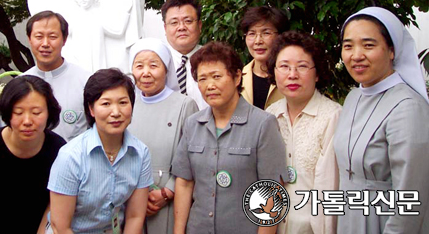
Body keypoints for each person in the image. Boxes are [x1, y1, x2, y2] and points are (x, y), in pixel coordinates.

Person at [172, 41, 287, 234]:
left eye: (216, 76)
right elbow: (184, 182)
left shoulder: (262, 124)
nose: (210, 85)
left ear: (235, 77)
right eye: (202, 79)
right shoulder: (192, 124)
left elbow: (271, 191)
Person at [334, 7, 429, 234]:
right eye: (348, 46)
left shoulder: (408, 107)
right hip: (349, 218)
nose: (356, 55)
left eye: (368, 45)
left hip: (383, 222)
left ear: (392, 51)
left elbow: (411, 195)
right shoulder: (354, 97)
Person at [48, 68, 153, 233]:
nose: (116, 112)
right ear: (91, 109)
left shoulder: (140, 153)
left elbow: (135, 216)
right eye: (106, 104)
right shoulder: (71, 156)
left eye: (123, 102)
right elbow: (60, 226)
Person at [0, 76, 66, 234]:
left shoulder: (58, 149)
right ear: (7, 113)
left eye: (36, 112)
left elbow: (55, 202)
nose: (27, 121)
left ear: (49, 112)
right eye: (18, 112)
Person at [265, 31, 341, 234]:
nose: (292, 74)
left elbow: (329, 188)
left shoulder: (332, 116)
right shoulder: (270, 115)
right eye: (284, 66)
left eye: (302, 66)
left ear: (317, 74)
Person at [127, 38, 199, 234]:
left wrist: (168, 191)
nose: (146, 73)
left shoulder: (185, 105)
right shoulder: (127, 104)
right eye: (139, 66)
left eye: (153, 65)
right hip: (129, 196)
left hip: (169, 198)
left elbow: (192, 156)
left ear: (166, 69)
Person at [23, 11, 91, 142]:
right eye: (39, 36)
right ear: (29, 39)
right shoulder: (19, 84)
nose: (45, 43)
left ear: (64, 39)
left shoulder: (86, 81)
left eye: (53, 37)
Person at [161, 0, 208, 109]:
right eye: (174, 23)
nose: (181, 27)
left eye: (188, 21)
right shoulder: (158, 62)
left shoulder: (213, 59)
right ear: (165, 28)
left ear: (200, 25)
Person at [239, 6, 289, 109]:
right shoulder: (238, 78)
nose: (258, 41)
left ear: (280, 36)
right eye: (252, 34)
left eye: (266, 33)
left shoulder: (291, 76)